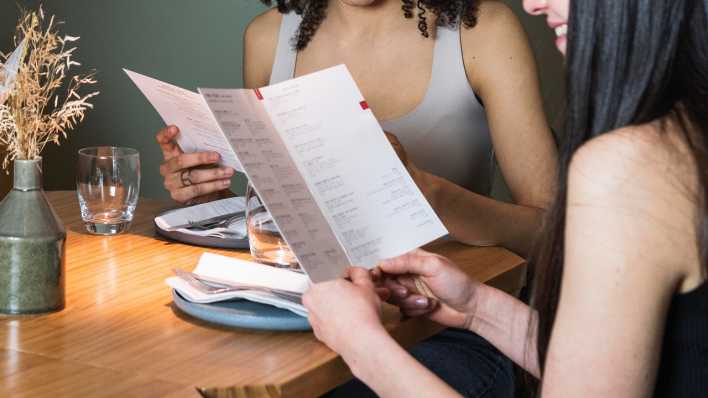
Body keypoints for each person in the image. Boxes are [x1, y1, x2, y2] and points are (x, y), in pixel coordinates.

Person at [303, 0, 708, 396]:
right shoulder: (683, 136)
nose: (532, 4)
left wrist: (362, 344)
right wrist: (478, 308)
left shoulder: (625, 168)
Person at [156, 1, 558, 396]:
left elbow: (550, 233)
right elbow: (278, 212)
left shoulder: (482, 29)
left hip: (442, 327)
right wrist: (212, 190)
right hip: (302, 315)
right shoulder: (267, 36)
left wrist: (425, 191)